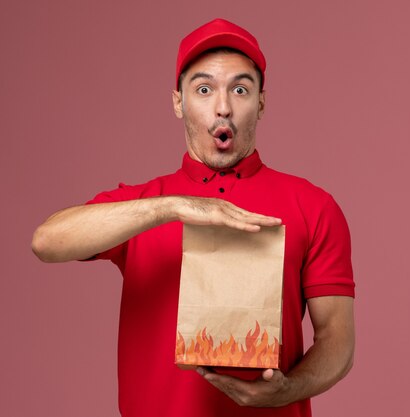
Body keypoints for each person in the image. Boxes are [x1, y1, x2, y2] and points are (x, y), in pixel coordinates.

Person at [31, 18, 355, 417]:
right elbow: (46, 241)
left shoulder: (314, 206)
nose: (223, 106)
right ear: (178, 102)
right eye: (204, 89)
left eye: (240, 89)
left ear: (262, 103)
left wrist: (289, 390)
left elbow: (337, 340)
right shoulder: (143, 204)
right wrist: (173, 206)